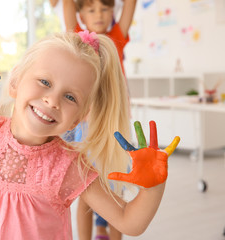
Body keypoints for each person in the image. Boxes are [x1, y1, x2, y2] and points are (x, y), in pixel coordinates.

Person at [0, 31, 179, 240]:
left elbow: (130, 223)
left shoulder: (70, 168)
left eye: (70, 97)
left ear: (80, 116)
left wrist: (154, 186)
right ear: (16, 80)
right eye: (44, 82)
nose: (52, 101)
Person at [63, 1, 136, 239]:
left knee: (115, 192)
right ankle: (96, 230)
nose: (99, 14)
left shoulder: (117, 36)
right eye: (92, 9)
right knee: (86, 191)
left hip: (116, 127)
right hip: (87, 127)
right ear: (80, 14)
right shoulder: (78, 40)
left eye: (105, 9)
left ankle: (106, 230)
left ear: (112, 12)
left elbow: (130, 6)